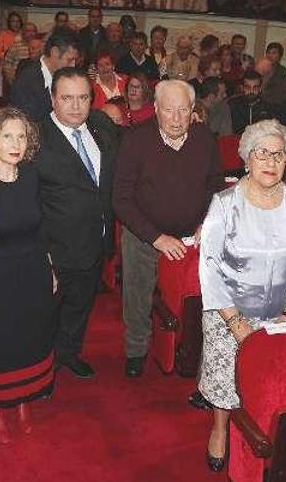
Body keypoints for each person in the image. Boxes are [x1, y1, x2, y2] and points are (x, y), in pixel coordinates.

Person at [199, 119, 286, 472]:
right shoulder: (224, 203)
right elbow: (210, 267)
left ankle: (264, 427)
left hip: (281, 315)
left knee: (271, 380)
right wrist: (236, 322)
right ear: (246, 159)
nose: (270, 161)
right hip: (228, 314)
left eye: (278, 154)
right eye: (262, 153)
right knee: (226, 383)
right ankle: (219, 426)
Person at [113, 79, 224, 378]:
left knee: (196, 298)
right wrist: (156, 238)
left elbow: (216, 186)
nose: (176, 119)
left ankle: (192, 350)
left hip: (193, 235)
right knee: (137, 295)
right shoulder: (135, 140)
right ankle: (136, 349)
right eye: (169, 110)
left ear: (193, 111)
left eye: (183, 110)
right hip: (144, 234)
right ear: (156, 110)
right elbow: (120, 199)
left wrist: (207, 222)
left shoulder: (204, 139)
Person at [0, 107, 57, 442]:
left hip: (33, 270)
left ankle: (23, 400)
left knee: (31, 338)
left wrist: (49, 266)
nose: (15, 143)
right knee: (0, 344)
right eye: (7, 135)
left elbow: (41, 227)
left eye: (21, 136)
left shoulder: (32, 176)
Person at [34, 67, 117, 379]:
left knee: (80, 306)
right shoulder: (36, 138)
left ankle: (68, 352)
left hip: (95, 242)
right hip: (54, 249)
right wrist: (42, 252)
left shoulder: (100, 125)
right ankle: (42, 367)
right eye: (67, 98)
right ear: (53, 99)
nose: (76, 106)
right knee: (47, 313)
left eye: (83, 97)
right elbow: (29, 201)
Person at [10, 28, 80, 123]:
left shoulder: (68, 77)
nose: (73, 65)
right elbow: (29, 124)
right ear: (55, 52)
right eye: (70, 60)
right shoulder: (27, 81)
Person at [227, 70, 277, 134]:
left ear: (260, 88)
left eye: (255, 88)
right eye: (247, 87)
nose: (251, 91)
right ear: (242, 88)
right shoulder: (232, 105)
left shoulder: (269, 108)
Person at [1, 22, 39, 89]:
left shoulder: (40, 46)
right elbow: (6, 65)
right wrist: (12, 79)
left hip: (36, 80)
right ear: (22, 32)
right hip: (18, 81)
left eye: (33, 31)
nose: (31, 33)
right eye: (28, 31)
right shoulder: (14, 47)